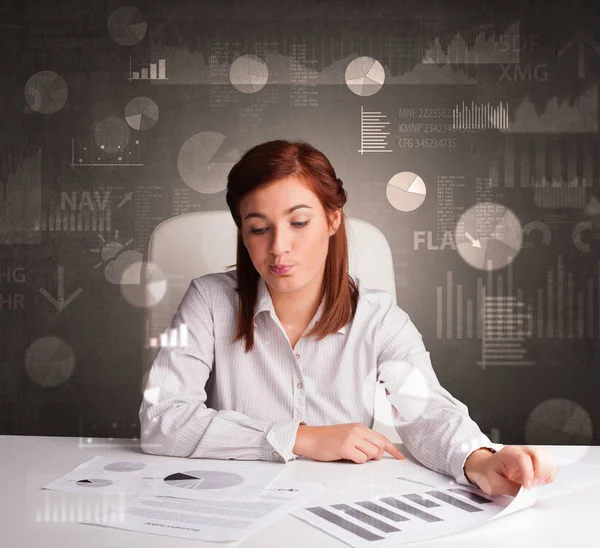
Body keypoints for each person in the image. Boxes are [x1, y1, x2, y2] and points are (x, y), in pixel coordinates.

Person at [139, 139, 558, 497]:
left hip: (342, 507)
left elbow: (426, 409)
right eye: (258, 229)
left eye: (299, 222)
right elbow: (162, 420)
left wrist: (479, 459)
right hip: (236, 501)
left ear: (332, 220)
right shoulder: (208, 300)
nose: (279, 247)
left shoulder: (378, 317)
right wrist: (302, 438)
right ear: (243, 234)